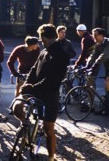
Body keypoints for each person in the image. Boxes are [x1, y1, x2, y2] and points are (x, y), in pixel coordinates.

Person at [12, 24, 69, 161]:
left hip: (49, 94)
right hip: (35, 90)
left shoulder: (61, 54)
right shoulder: (44, 51)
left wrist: (32, 87)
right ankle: (28, 129)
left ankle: (51, 157)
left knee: (49, 129)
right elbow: (33, 69)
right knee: (16, 108)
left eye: (41, 39)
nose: (40, 42)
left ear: (44, 37)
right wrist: (27, 83)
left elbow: (52, 80)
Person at [85, 28, 109, 116]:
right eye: (93, 35)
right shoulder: (98, 44)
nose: (93, 37)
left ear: (102, 36)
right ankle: (107, 106)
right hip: (108, 67)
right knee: (106, 86)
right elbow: (93, 55)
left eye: (95, 35)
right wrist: (87, 65)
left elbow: (105, 55)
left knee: (107, 84)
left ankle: (108, 108)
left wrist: (95, 65)